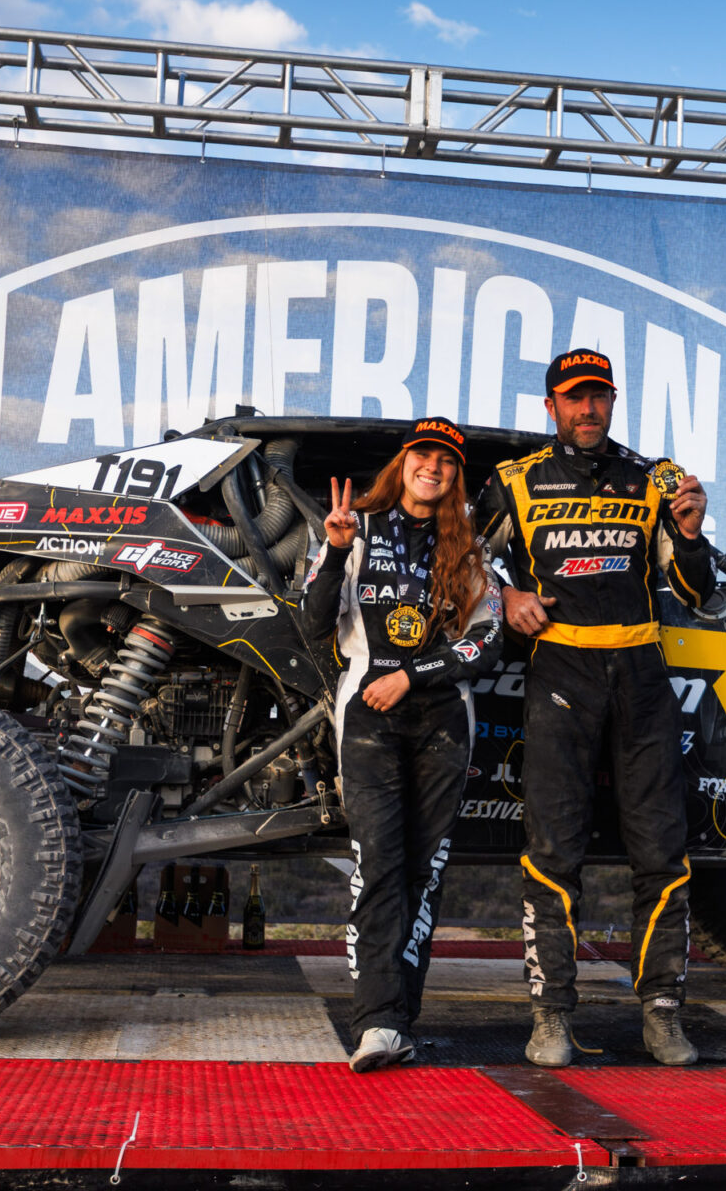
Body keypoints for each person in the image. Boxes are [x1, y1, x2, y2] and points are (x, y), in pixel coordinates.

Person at [475, 348, 715, 1068]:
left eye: (600, 397)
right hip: (561, 673)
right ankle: (550, 1017)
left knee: (662, 853)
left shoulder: (655, 481)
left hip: (641, 676)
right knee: (553, 851)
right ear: (551, 406)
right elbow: (463, 564)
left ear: (613, 402)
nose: (589, 410)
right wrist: (507, 596)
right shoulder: (514, 483)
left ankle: (663, 1015)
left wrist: (694, 532)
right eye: (575, 399)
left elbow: (696, 591)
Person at [299, 415, 503, 1073]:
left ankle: (398, 1021)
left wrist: (412, 676)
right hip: (367, 722)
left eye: (446, 461)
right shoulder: (355, 528)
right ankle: (379, 1022)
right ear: (404, 463)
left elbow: (485, 643)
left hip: (444, 719)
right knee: (379, 864)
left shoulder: (469, 552)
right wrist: (332, 551)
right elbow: (312, 620)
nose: (433, 468)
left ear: (454, 476)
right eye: (423, 455)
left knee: (426, 872)